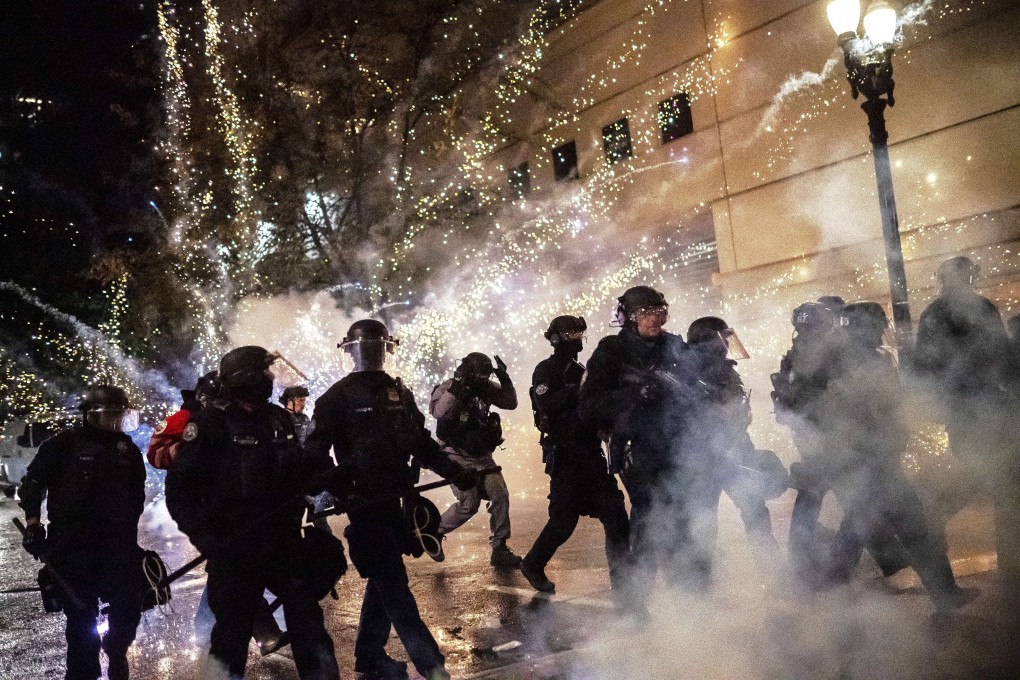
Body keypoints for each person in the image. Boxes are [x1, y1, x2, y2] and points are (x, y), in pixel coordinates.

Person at [306, 319, 477, 680]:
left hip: (396, 502)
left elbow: (422, 444)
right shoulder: (336, 398)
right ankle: (433, 666)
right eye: (366, 347)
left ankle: (369, 657)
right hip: (364, 505)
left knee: (384, 580)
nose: (373, 354)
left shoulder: (398, 393)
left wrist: (454, 471)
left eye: (377, 346)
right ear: (351, 351)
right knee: (394, 584)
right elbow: (315, 456)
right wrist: (341, 488)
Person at [165, 346, 341, 680]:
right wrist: (204, 536)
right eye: (264, 372)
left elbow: (293, 471)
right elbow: (180, 491)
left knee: (308, 623)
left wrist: (319, 473)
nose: (271, 379)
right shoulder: (212, 424)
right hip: (235, 548)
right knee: (230, 637)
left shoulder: (277, 419)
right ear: (246, 377)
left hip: (282, 541)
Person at [819, 302, 975, 616]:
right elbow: (877, 410)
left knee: (862, 526)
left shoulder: (841, 362)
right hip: (875, 459)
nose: (882, 329)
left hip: (868, 459)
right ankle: (944, 595)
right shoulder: (867, 362)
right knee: (911, 526)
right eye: (878, 323)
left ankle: (831, 595)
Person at [577, 285, 710, 592]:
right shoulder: (611, 351)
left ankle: (690, 595)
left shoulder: (673, 345)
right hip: (636, 449)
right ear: (628, 317)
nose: (655, 320)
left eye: (659, 312)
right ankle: (636, 595)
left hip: (677, 445)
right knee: (649, 518)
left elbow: (696, 383)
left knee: (684, 515)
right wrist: (634, 394)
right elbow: (587, 406)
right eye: (645, 313)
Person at [772, 299, 909, 588]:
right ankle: (834, 572)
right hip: (832, 442)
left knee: (837, 502)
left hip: (818, 440)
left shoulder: (799, 354)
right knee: (857, 504)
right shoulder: (824, 356)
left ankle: (815, 569)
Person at [19, 385, 146, 680]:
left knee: (128, 610)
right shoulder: (62, 445)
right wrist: (33, 524)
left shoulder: (128, 450)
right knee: (81, 622)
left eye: (119, 415)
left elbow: (136, 497)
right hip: (72, 547)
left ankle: (116, 650)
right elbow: (32, 485)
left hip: (118, 547)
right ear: (90, 415)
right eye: (109, 416)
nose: (114, 422)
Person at [910, 256, 1020, 589]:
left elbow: (922, 370)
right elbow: (1003, 357)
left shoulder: (931, 315)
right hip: (988, 412)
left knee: (986, 482)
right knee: (1005, 489)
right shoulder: (980, 307)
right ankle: (1013, 570)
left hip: (960, 415)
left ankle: (931, 525)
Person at [520, 315, 631, 595]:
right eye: (570, 333)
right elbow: (547, 402)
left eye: (579, 332)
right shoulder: (546, 369)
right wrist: (579, 390)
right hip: (566, 456)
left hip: (591, 454)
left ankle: (625, 586)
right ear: (556, 337)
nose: (576, 338)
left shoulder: (581, 369)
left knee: (616, 516)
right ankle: (533, 563)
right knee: (563, 522)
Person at [685, 317, 787, 580]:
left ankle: (772, 572)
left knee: (754, 510)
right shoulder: (690, 375)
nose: (727, 343)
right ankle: (699, 586)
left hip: (737, 451)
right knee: (705, 521)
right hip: (707, 459)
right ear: (710, 341)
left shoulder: (726, 370)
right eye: (722, 338)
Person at [430, 351, 522, 567]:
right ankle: (433, 532)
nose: (482, 379)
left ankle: (499, 548)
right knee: (469, 503)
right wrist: (458, 387)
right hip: (455, 455)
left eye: (485, 375)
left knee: (500, 495)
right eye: (479, 375)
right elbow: (439, 412)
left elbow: (510, 402)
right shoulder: (449, 386)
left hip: (482, 456)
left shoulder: (486, 388)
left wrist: (504, 378)